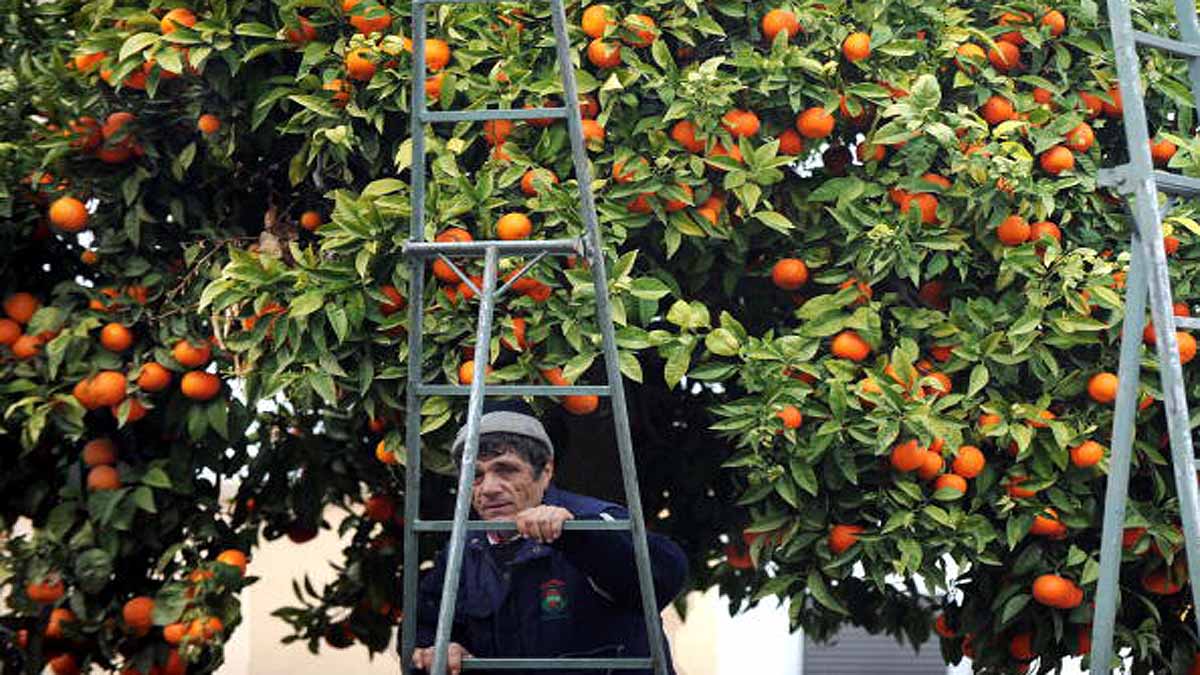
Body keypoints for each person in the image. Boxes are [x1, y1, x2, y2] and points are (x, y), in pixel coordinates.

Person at [409, 399, 688, 675]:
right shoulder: (464, 549)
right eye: (475, 475)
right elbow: (424, 625)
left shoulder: (596, 520)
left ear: (545, 471)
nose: (489, 488)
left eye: (506, 469)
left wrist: (578, 536)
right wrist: (440, 648)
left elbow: (665, 574)